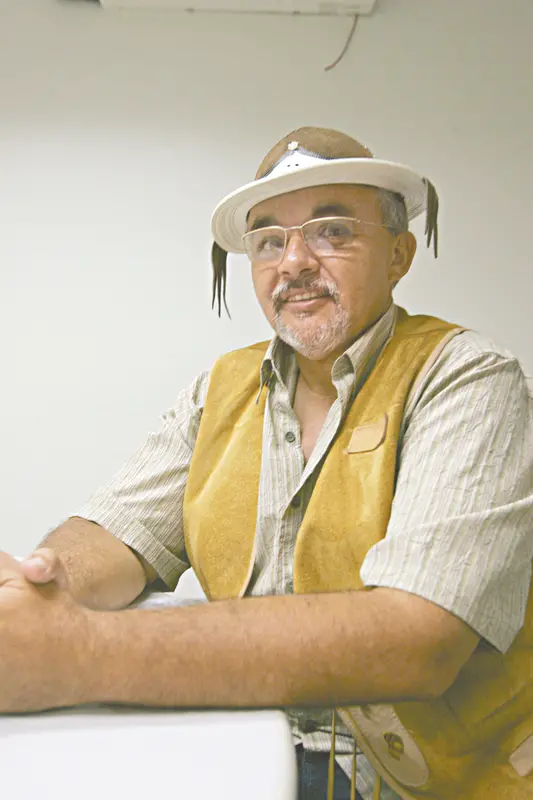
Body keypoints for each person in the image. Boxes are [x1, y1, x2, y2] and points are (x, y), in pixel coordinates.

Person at [1, 127, 532, 800]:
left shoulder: (467, 377)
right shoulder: (221, 388)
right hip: (254, 752)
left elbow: (418, 639)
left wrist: (76, 654)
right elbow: (119, 532)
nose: (294, 262)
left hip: (437, 786)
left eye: (332, 231)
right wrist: (39, 587)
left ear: (398, 254)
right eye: (268, 241)